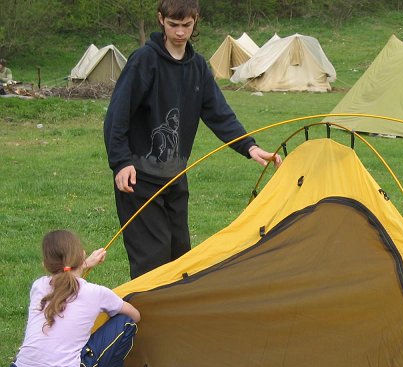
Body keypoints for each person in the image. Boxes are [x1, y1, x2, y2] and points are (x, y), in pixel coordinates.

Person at [104, 0, 281, 279]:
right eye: (173, 25)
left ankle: (174, 320)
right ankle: (144, 321)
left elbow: (219, 113)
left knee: (180, 255)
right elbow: (118, 115)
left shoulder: (198, 67)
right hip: (138, 180)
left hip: (175, 178)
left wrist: (250, 146)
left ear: (195, 20)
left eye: (186, 25)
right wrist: (121, 162)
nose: (179, 32)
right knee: (153, 260)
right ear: (161, 19)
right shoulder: (144, 61)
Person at [9, 230, 141, 367]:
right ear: (82, 255)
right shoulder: (96, 293)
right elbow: (134, 315)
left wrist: (86, 265)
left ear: (45, 264)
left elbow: (65, 278)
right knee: (125, 323)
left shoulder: (39, 286)